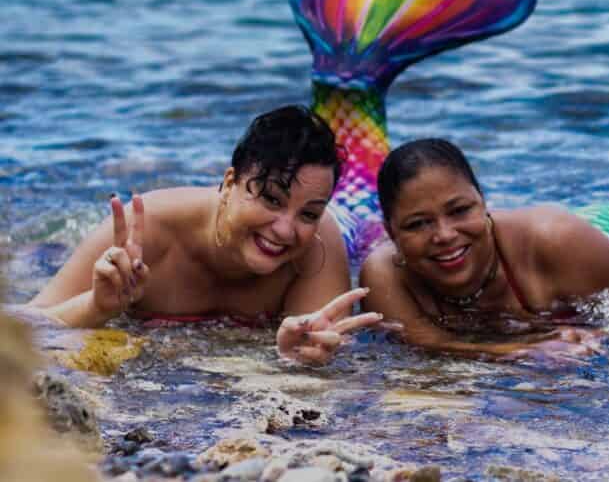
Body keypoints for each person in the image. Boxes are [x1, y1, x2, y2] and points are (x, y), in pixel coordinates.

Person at [28, 105, 381, 366]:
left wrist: (300, 355)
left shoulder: (319, 241)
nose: (286, 229)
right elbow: (22, 324)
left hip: (351, 228)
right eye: (271, 199)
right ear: (229, 183)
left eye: (308, 214)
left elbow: (323, 351)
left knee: (368, 217)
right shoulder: (145, 232)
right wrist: (96, 306)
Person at [360, 138, 609, 360]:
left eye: (460, 210)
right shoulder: (385, 274)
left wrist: (598, 339)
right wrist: (522, 352)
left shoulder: (560, 242)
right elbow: (424, 343)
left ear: (483, 203)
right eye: (418, 224)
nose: (444, 235)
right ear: (390, 232)